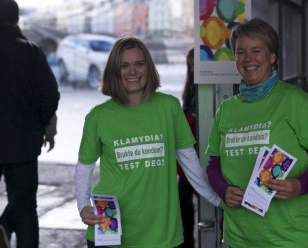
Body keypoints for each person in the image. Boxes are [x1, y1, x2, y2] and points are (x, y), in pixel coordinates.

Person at [74, 36, 221, 248]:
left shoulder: (169, 107)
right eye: (124, 65)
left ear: (148, 67)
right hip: (110, 232)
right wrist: (83, 206)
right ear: (114, 71)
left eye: (139, 64)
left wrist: (217, 199)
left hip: (161, 235)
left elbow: (189, 163)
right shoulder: (98, 116)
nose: (132, 71)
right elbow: (84, 167)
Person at [205, 18, 308, 247]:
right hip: (239, 237)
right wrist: (223, 189)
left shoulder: (295, 101)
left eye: (257, 50)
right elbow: (213, 165)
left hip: (287, 237)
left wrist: (300, 185)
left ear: (272, 57)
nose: (248, 59)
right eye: (241, 52)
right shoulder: (226, 109)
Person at [0, 0, 60, 248]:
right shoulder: (30, 52)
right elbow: (50, 94)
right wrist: (39, 124)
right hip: (23, 143)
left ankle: (3, 226)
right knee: (25, 208)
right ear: (16, 20)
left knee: (22, 204)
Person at [177, 48, 196, 248]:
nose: (192, 69)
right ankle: (187, 240)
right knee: (183, 195)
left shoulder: (202, 88)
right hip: (190, 149)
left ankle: (187, 241)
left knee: (184, 194)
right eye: (190, 66)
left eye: (194, 65)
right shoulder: (190, 88)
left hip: (198, 149)